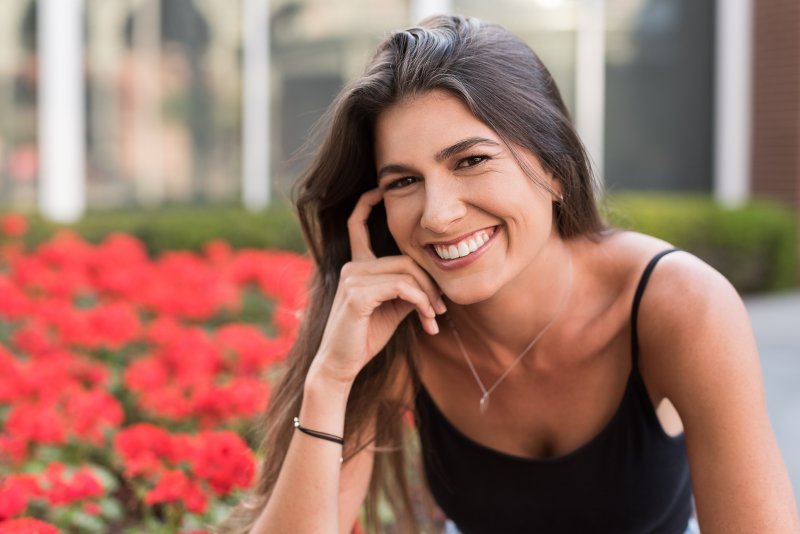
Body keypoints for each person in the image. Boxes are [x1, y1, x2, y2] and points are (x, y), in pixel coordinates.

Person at [225, 15, 800, 534]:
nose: (437, 214)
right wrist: (330, 380)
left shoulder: (681, 306)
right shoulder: (398, 325)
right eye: (403, 181)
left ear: (553, 169)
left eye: (471, 161)